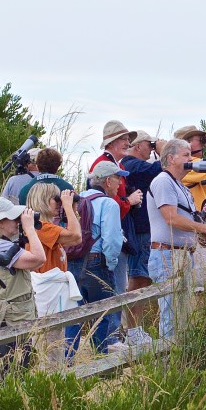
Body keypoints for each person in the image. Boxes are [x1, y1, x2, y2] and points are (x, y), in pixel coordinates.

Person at [147, 139, 206, 339]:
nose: (191, 159)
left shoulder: (179, 185)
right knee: (171, 314)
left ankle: (179, 362)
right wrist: (204, 228)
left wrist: (202, 230)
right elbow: (171, 217)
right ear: (170, 158)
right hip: (168, 254)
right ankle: (167, 364)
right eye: (185, 154)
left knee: (183, 313)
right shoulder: (163, 181)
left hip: (180, 254)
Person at [67, 161, 126, 354]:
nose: (120, 183)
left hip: (72, 261)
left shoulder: (77, 198)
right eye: (118, 178)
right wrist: (110, 264)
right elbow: (112, 241)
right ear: (108, 181)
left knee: (74, 315)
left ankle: (67, 361)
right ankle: (100, 361)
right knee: (102, 315)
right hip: (97, 262)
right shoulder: (109, 204)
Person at [24, 184, 82, 364]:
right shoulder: (42, 227)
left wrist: (71, 208)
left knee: (54, 345)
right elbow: (76, 236)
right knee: (50, 348)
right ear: (42, 200)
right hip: (47, 297)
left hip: (51, 297)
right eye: (55, 199)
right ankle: (50, 384)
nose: (58, 203)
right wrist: (67, 205)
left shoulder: (46, 227)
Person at [119, 129, 166, 345]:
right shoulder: (131, 164)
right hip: (139, 230)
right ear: (139, 146)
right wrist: (165, 149)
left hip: (143, 229)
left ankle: (133, 329)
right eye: (150, 144)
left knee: (142, 277)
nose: (152, 148)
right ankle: (132, 331)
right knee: (138, 278)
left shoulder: (133, 165)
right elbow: (160, 168)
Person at [0, 199, 46, 336]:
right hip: (11, 319)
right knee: (17, 356)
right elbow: (39, 258)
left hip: (13, 315)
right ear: (0, 222)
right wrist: (30, 229)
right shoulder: (0, 246)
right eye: (13, 217)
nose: (17, 221)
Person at [90, 121, 144, 296]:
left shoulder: (116, 165)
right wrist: (130, 200)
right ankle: (115, 323)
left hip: (116, 234)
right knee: (115, 290)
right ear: (111, 143)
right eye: (124, 139)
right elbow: (104, 203)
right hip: (109, 237)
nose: (128, 144)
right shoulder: (101, 165)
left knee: (118, 287)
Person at [173, 126, 206, 210]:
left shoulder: (199, 163)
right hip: (194, 219)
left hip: (205, 217)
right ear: (186, 143)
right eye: (200, 139)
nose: (203, 143)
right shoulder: (185, 164)